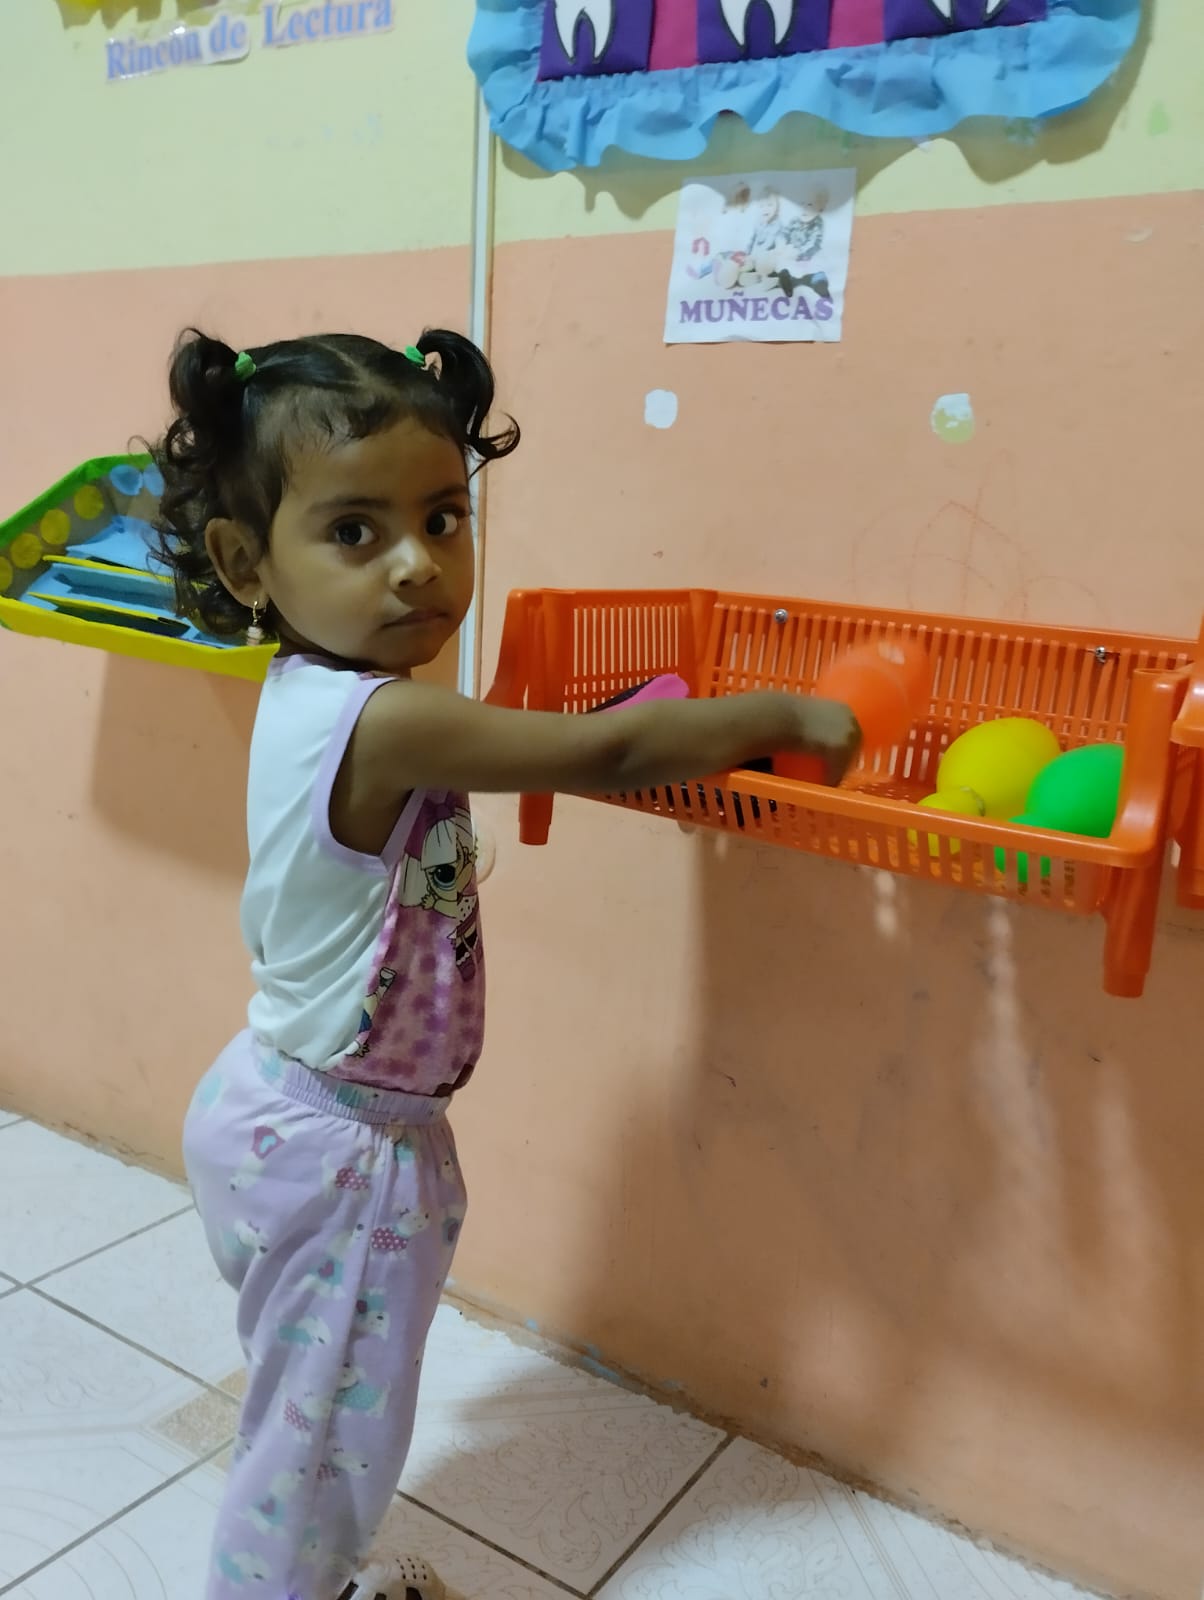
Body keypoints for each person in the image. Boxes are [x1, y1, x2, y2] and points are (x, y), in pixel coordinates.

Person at [152, 327, 860, 1600]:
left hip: (282, 1107)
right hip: (341, 1151)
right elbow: (601, 756)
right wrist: (787, 715)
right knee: (314, 1449)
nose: (417, 563)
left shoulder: (317, 692)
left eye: (443, 516)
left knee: (316, 1408)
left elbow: (561, 738)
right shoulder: (387, 719)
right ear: (246, 563)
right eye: (355, 531)